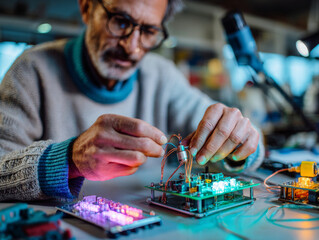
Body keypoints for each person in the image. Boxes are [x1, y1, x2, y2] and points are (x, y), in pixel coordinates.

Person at [0, 0, 264, 201]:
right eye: (121, 22)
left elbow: (248, 145)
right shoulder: (31, 70)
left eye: (149, 31)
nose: (132, 46)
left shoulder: (162, 76)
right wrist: (69, 158)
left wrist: (239, 141)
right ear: (86, 7)